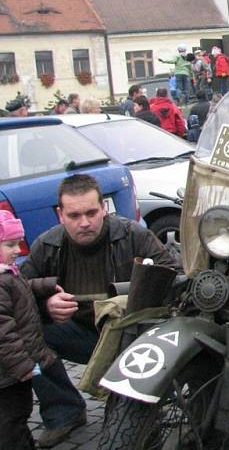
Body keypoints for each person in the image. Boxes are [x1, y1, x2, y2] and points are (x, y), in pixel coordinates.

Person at [20, 174, 178, 448]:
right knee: (22, 335)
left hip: (130, 335)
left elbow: (174, 277)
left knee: (129, 429)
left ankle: (135, 415)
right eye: (74, 215)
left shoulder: (133, 235)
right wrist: (46, 306)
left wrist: (135, 299)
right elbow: (16, 296)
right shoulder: (47, 245)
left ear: (104, 208)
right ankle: (64, 411)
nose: (84, 222)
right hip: (80, 332)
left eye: (92, 212)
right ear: (61, 214)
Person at [0, 210, 60, 450]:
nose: (18, 250)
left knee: (18, 415)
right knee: (11, 419)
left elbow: (22, 286)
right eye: (10, 244)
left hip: (13, 372)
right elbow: (3, 333)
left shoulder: (7, 275)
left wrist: (46, 284)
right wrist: (23, 366)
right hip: (10, 373)